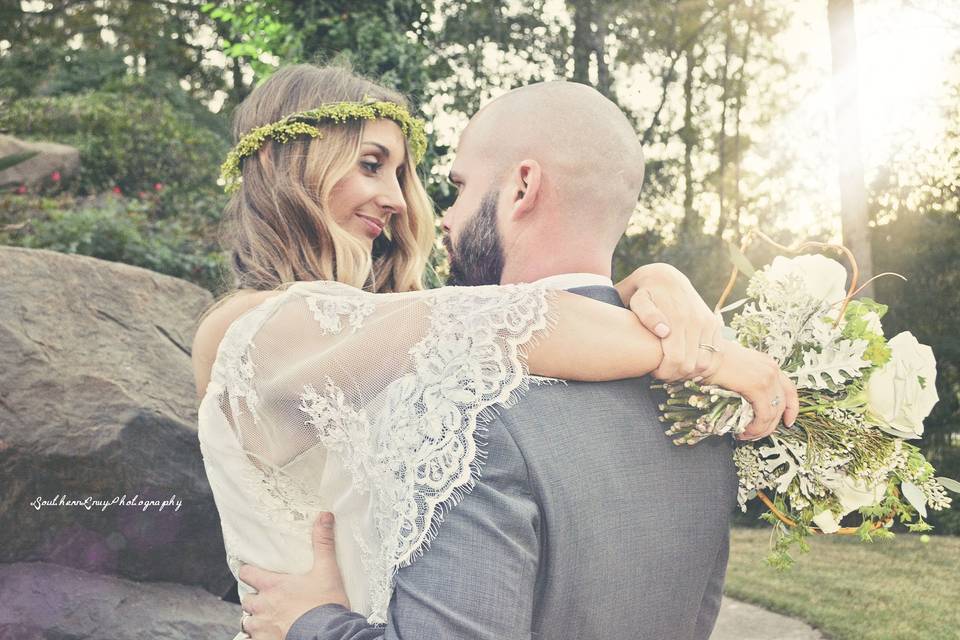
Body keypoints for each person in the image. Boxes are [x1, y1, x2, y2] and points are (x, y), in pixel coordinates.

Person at [191, 65, 797, 640]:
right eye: (371, 165)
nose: (400, 200)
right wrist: (705, 356)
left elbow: (504, 320)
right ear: (279, 161)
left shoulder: (380, 335)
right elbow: (514, 321)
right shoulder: (249, 328)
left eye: (399, 175)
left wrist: (652, 284)